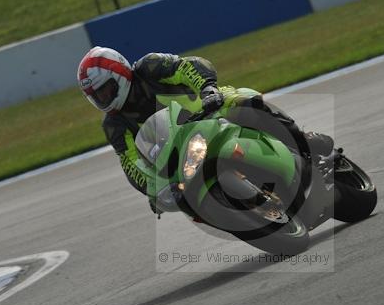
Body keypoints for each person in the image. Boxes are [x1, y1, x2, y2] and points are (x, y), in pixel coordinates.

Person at [77, 46, 333, 211]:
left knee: (245, 103)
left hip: (210, 107)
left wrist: (208, 89)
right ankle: (236, 215)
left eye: (105, 90)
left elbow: (187, 67)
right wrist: (153, 189)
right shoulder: (115, 125)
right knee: (180, 198)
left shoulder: (149, 67)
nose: (104, 99)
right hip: (180, 151)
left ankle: (301, 140)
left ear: (120, 74)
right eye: (96, 97)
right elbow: (132, 164)